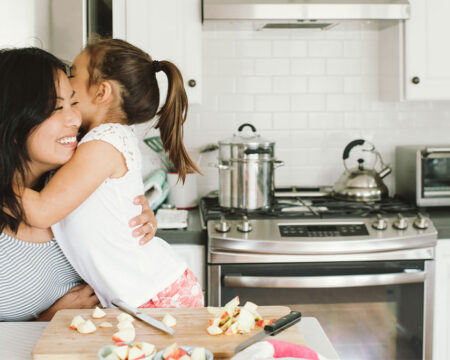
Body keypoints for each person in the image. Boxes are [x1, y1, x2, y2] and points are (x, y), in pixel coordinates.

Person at [21, 39, 203, 309]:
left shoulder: (103, 144)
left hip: (156, 295)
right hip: (150, 293)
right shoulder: (104, 140)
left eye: (73, 75)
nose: (66, 85)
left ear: (101, 91)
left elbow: (42, 211)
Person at [0, 47, 157, 321]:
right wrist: (49, 319)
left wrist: (138, 219)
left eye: (74, 103)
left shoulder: (81, 189)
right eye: (55, 108)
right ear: (12, 121)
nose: (74, 119)